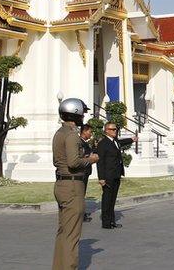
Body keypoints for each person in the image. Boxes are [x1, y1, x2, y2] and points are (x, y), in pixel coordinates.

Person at [52, 99, 99, 270]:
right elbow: (73, 162)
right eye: (82, 113)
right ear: (76, 112)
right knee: (72, 235)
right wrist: (91, 159)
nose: (83, 116)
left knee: (63, 232)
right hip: (72, 186)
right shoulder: (72, 135)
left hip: (62, 184)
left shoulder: (59, 132)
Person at [96, 121, 135, 229]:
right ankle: (106, 222)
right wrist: (101, 178)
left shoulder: (115, 141)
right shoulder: (103, 143)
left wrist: (132, 139)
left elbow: (122, 142)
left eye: (116, 129)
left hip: (116, 174)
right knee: (107, 199)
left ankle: (112, 221)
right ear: (106, 131)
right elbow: (100, 162)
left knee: (113, 199)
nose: (115, 131)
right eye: (112, 129)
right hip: (108, 175)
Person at [79, 124, 94, 223]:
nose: (91, 134)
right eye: (89, 132)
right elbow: (83, 156)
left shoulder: (85, 142)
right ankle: (80, 214)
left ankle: (82, 212)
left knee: (82, 193)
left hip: (86, 171)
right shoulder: (79, 143)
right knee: (80, 194)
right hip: (82, 171)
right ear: (84, 131)